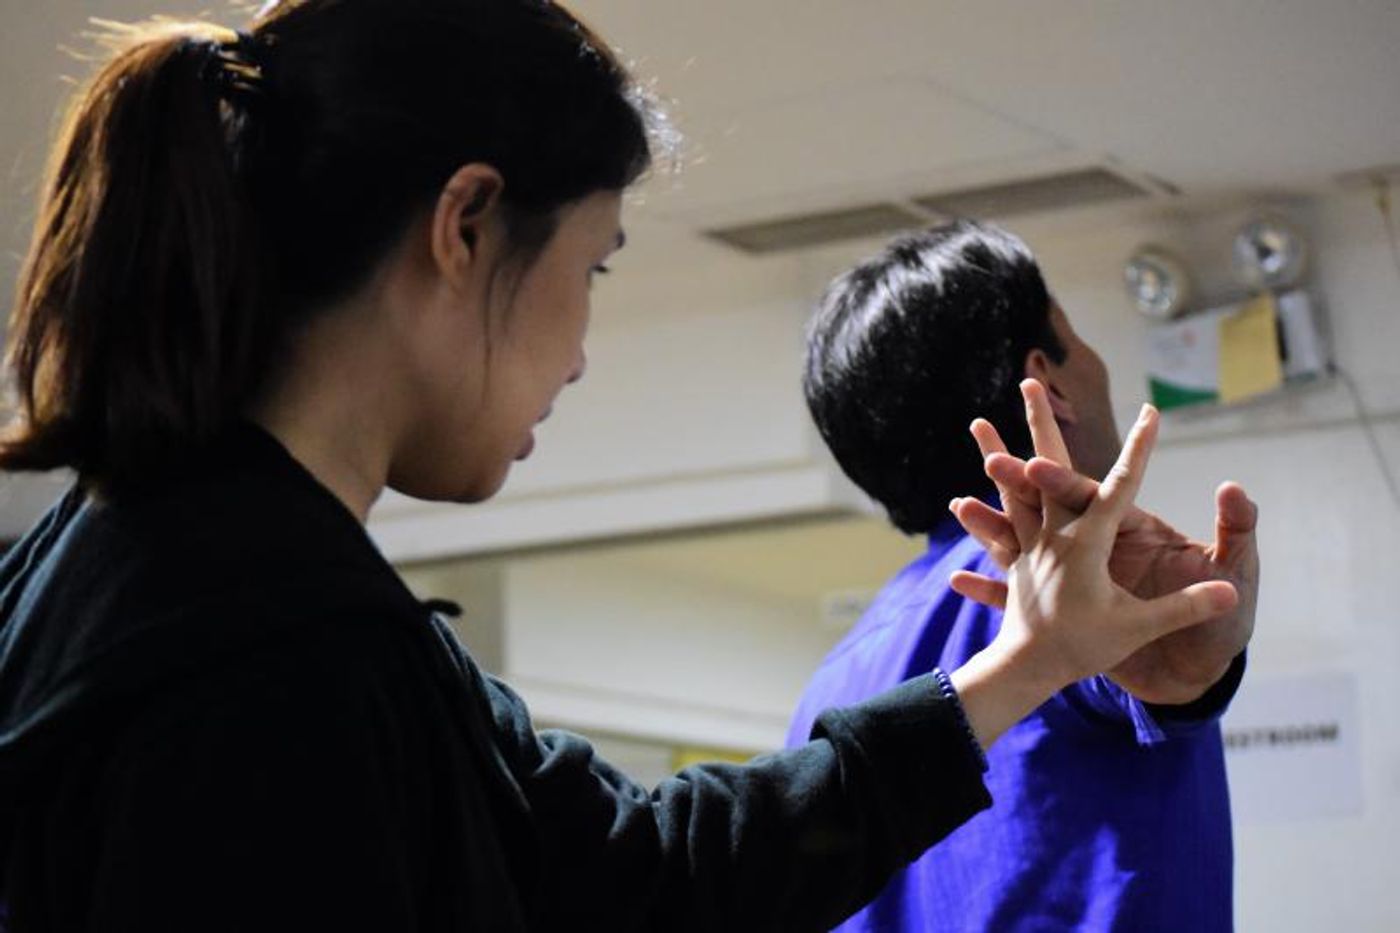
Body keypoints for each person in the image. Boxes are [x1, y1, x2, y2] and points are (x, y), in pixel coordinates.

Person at [0, 4, 1239, 929]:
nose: (582, 356)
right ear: (466, 226)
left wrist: (1029, 662)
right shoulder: (265, 662)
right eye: (589, 270)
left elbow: (639, 872)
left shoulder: (190, 581)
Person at [789, 220, 1260, 932]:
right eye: (1081, 340)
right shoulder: (1071, 593)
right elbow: (1140, 677)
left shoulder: (827, 689)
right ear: (1048, 384)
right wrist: (1194, 667)